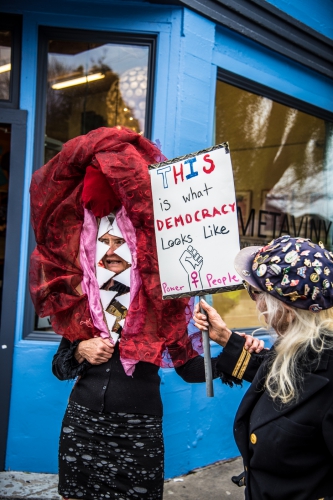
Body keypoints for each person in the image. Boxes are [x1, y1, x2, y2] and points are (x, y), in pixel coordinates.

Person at [29, 126, 263, 500]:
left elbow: (190, 370)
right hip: (81, 424)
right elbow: (60, 369)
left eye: (118, 241)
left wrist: (234, 353)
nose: (109, 251)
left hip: (139, 430)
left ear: (136, 248)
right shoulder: (84, 307)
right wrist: (79, 350)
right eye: (102, 242)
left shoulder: (161, 306)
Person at [193, 235, 333, 500]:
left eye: (255, 292)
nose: (255, 302)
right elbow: (285, 380)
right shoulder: (300, 349)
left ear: (285, 308)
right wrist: (225, 337)